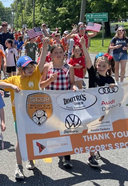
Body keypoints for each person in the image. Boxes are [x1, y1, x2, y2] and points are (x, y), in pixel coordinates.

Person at [0, 37, 50, 180]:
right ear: (21, 69)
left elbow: (42, 60)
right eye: (27, 67)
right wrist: (12, 87)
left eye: (32, 66)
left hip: (34, 115)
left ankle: (31, 159)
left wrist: (45, 47)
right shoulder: (15, 79)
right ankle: (19, 166)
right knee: (21, 140)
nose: (31, 69)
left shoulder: (36, 75)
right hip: (19, 117)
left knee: (32, 139)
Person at [77, 37, 116, 168]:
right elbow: (88, 60)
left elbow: (115, 94)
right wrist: (83, 45)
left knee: (98, 132)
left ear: (109, 67)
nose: (100, 67)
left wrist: (113, 87)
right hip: (91, 107)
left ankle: (94, 150)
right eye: (98, 65)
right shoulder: (93, 74)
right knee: (91, 131)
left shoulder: (110, 79)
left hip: (103, 109)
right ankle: (91, 155)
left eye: (103, 66)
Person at [39, 43, 76, 167]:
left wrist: (74, 87)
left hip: (65, 103)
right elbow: (41, 85)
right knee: (50, 128)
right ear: (51, 55)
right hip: (50, 103)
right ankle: (45, 149)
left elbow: (72, 83)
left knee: (66, 128)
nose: (58, 55)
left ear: (64, 54)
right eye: (56, 53)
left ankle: (66, 157)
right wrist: (50, 80)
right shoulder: (47, 67)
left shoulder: (69, 67)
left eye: (61, 52)